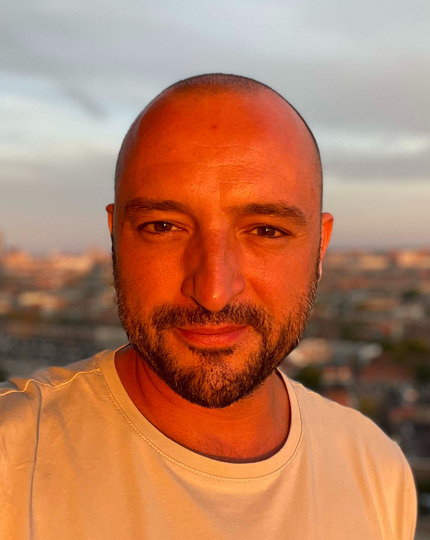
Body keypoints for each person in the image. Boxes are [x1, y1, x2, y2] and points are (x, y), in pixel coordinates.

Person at [0, 74, 416, 539]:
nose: (214, 292)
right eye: (163, 227)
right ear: (114, 236)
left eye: (266, 231)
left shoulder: (378, 472)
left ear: (320, 247)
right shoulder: (11, 461)